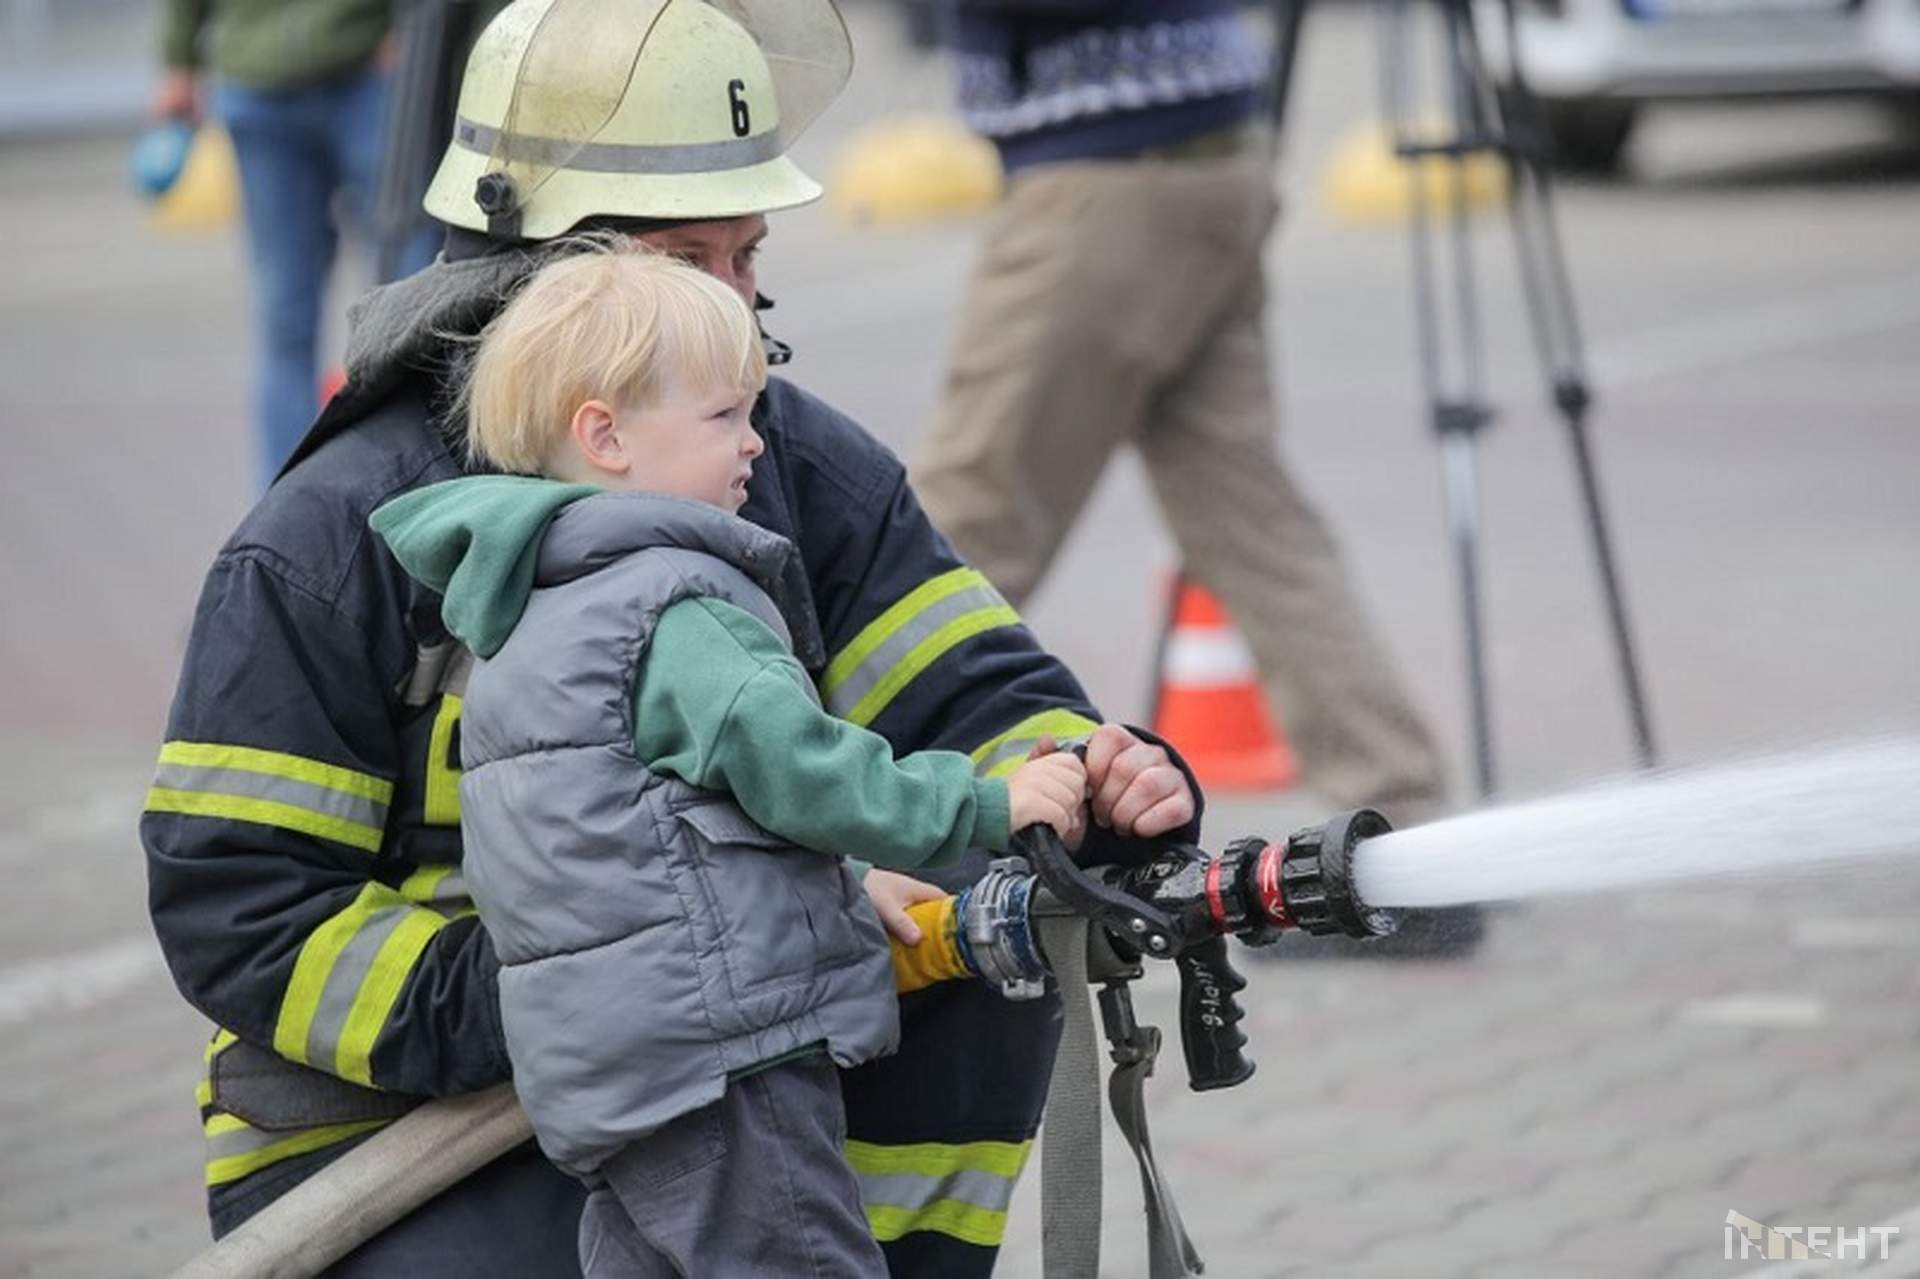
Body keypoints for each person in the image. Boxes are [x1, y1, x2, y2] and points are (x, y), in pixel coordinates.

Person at [141, 2, 1198, 1273]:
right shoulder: (330, 540)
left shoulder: (779, 465)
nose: (739, 315)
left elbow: (969, 695)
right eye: (691, 262)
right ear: (539, 271)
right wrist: (580, 994)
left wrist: (1101, 777)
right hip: (413, 1116)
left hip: (730, 1075)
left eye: (749, 258)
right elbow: (243, 908)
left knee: (994, 934)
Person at [368, 247, 1091, 1277]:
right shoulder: (675, 607)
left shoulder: (530, 616)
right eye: (723, 418)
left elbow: (654, 829)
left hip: (611, 1077)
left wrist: (830, 888)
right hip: (725, 1062)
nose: (756, 443)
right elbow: (807, 771)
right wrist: (985, 802)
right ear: (605, 434)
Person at [913, 1, 1453, 837]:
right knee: (1253, 523)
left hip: (1106, 165)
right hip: (1208, 144)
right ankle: (1408, 831)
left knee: (945, 536)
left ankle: (824, 807)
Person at [153, 0, 439, 490]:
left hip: (367, 72)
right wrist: (179, 59)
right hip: (256, 85)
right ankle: (284, 504)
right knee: (284, 314)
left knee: (413, 301)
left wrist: (414, 35)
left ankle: (420, 488)